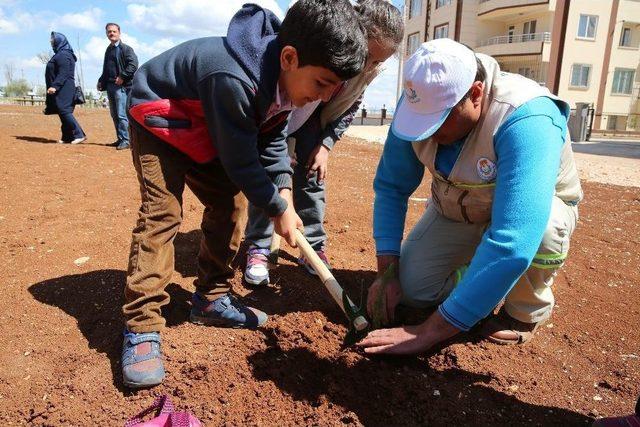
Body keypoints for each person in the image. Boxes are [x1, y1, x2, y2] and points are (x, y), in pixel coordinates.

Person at [121, 0, 367, 388]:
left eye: (333, 89)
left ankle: (210, 299)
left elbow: (270, 142)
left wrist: (282, 191)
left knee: (230, 204)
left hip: (205, 121)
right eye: (321, 83)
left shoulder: (282, 81)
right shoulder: (234, 77)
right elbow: (241, 162)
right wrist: (275, 208)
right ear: (289, 57)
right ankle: (141, 325)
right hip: (161, 118)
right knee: (163, 214)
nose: (323, 97)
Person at [357, 38, 583, 355]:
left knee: (544, 232)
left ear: (475, 94)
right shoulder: (418, 103)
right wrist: (387, 273)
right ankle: (477, 275)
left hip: (533, 216)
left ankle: (524, 310)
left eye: (439, 120)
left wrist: (429, 332)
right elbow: (392, 188)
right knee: (414, 290)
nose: (429, 132)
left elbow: (514, 239)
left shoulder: (526, 116)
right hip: (458, 209)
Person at [243, 0, 404, 286]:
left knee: (312, 179)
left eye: (378, 62)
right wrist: (282, 150)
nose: (367, 66)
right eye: (367, 56)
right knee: (271, 179)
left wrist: (326, 144)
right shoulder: (327, 46)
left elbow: (351, 106)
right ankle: (258, 245)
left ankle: (312, 246)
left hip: (313, 124)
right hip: (281, 114)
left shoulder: (369, 70)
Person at [97, 22, 138, 150]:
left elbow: (133, 64)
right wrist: (100, 81)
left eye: (114, 31)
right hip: (110, 86)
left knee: (121, 114)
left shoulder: (126, 49)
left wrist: (122, 76)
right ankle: (121, 138)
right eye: (109, 32)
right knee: (114, 114)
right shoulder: (108, 49)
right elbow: (106, 69)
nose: (111, 34)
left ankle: (126, 140)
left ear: (119, 33)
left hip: (121, 86)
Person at [45, 32, 86, 144]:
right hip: (62, 87)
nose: (51, 42)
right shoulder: (61, 53)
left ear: (60, 41)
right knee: (62, 110)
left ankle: (79, 134)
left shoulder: (64, 54)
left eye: (53, 40)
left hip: (65, 87)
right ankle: (67, 136)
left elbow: (64, 73)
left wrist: (55, 86)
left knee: (64, 110)